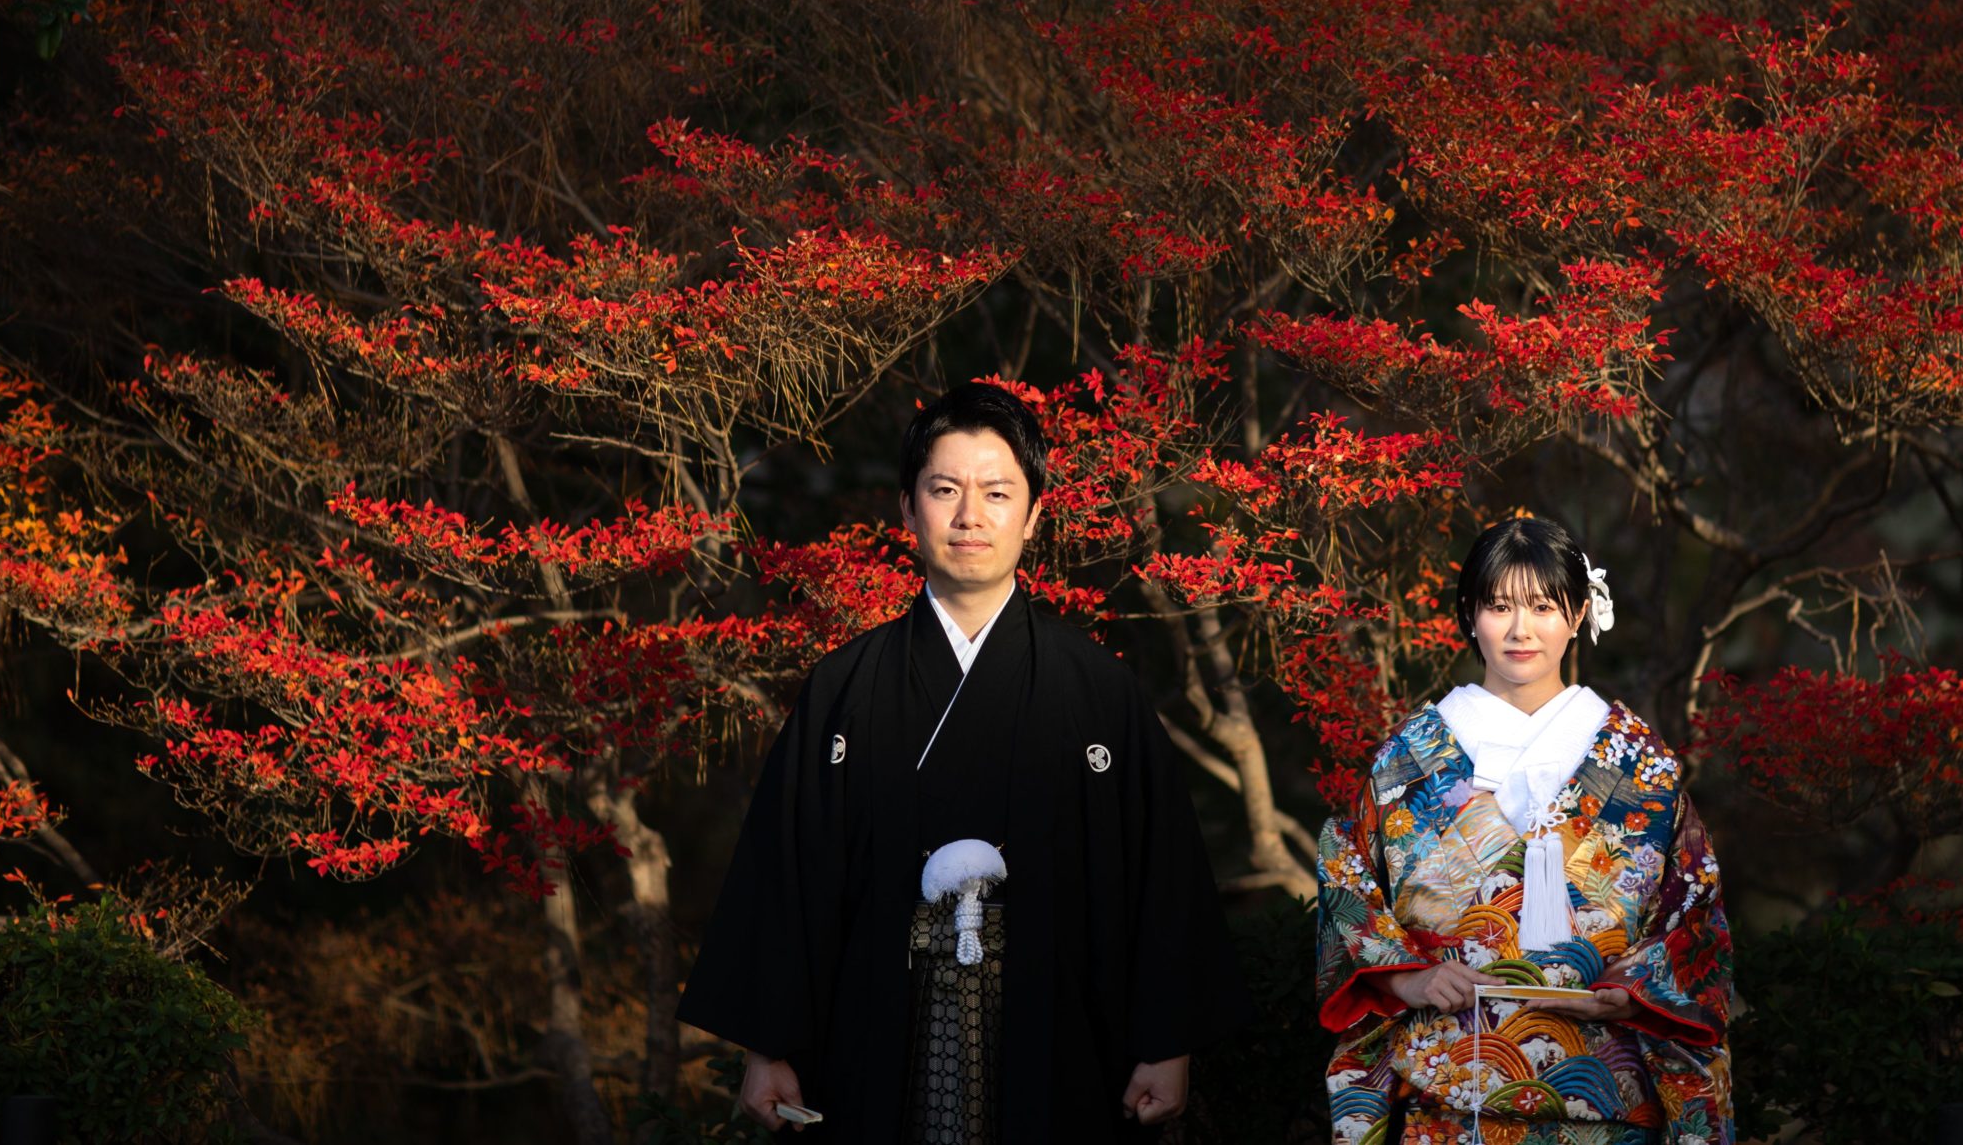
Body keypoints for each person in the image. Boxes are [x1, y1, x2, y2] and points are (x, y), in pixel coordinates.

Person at [678, 380, 1248, 1140]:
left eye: (997, 493)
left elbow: (1159, 877)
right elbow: (789, 878)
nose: (969, 515)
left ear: (1035, 514)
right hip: (878, 1032)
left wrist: (1165, 1043)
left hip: (1057, 1035)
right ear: (909, 510)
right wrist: (769, 1047)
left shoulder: (1098, 691)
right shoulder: (844, 689)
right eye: (944, 489)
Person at [1315, 516, 1736, 1144]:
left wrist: (1634, 991)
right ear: (1468, 614)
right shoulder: (1408, 757)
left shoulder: (1637, 762)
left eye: (1542, 606)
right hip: (1450, 1105)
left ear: (1580, 612)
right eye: (1498, 606)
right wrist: (1410, 977)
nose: (1520, 630)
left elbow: (1694, 917)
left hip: (1607, 1099)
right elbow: (1348, 894)